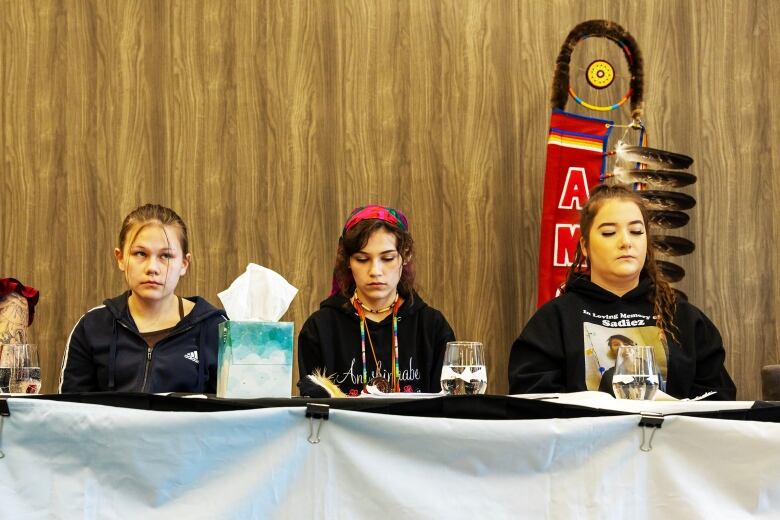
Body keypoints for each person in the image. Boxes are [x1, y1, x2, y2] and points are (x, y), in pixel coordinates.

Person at [508, 184, 736, 400]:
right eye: (609, 233)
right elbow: (533, 403)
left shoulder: (684, 319)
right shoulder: (555, 320)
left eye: (636, 231)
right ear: (585, 246)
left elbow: (718, 402)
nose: (626, 242)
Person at [59, 204, 227, 393]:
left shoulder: (217, 328)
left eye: (166, 255)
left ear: (184, 263)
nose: (152, 268)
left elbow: (233, 415)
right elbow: (70, 413)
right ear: (121, 258)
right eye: (140, 253)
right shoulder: (92, 326)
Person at [297, 205, 455, 396]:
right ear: (347, 260)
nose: (375, 271)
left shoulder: (432, 327)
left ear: (405, 255)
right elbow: (314, 413)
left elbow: (447, 412)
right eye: (362, 259)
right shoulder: (319, 329)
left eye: (387, 258)